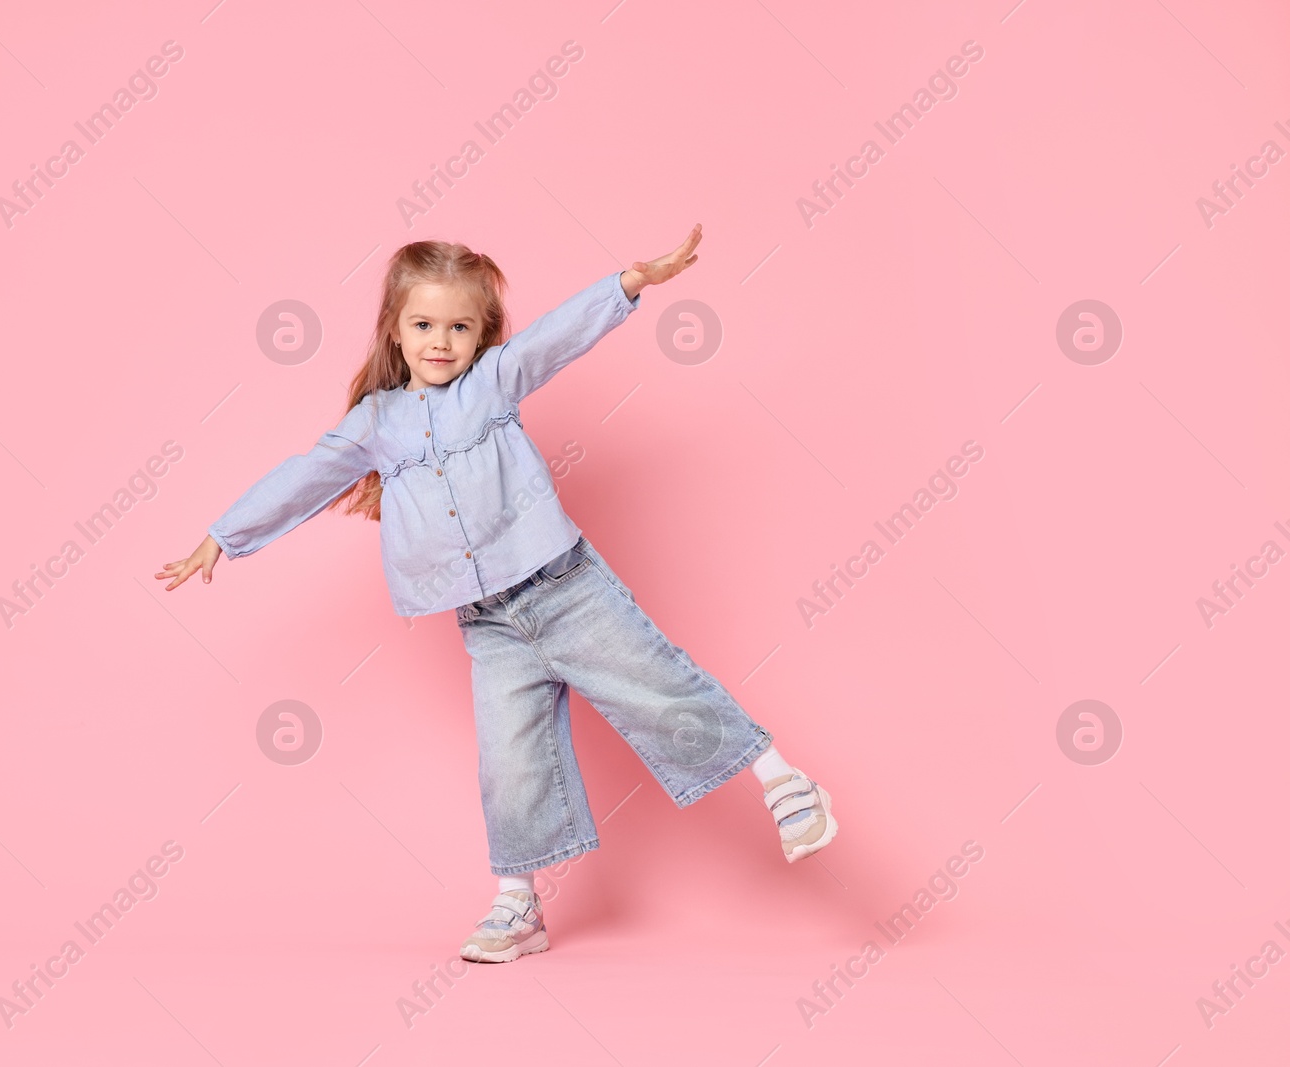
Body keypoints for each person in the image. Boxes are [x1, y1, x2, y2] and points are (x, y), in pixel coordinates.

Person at [156, 224, 837, 964]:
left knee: (653, 684)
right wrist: (225, 536)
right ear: (394, 328)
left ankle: (784, 782)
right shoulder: (377, 425)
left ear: (481, 335)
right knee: (509, 758)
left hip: (562, 583)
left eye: (459, 326)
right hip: (488, 623)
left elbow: (553, 338)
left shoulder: (493, 383)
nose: (440, 340)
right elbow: (303, 475)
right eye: (423, 324)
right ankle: (519, 903)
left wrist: (628, 284)